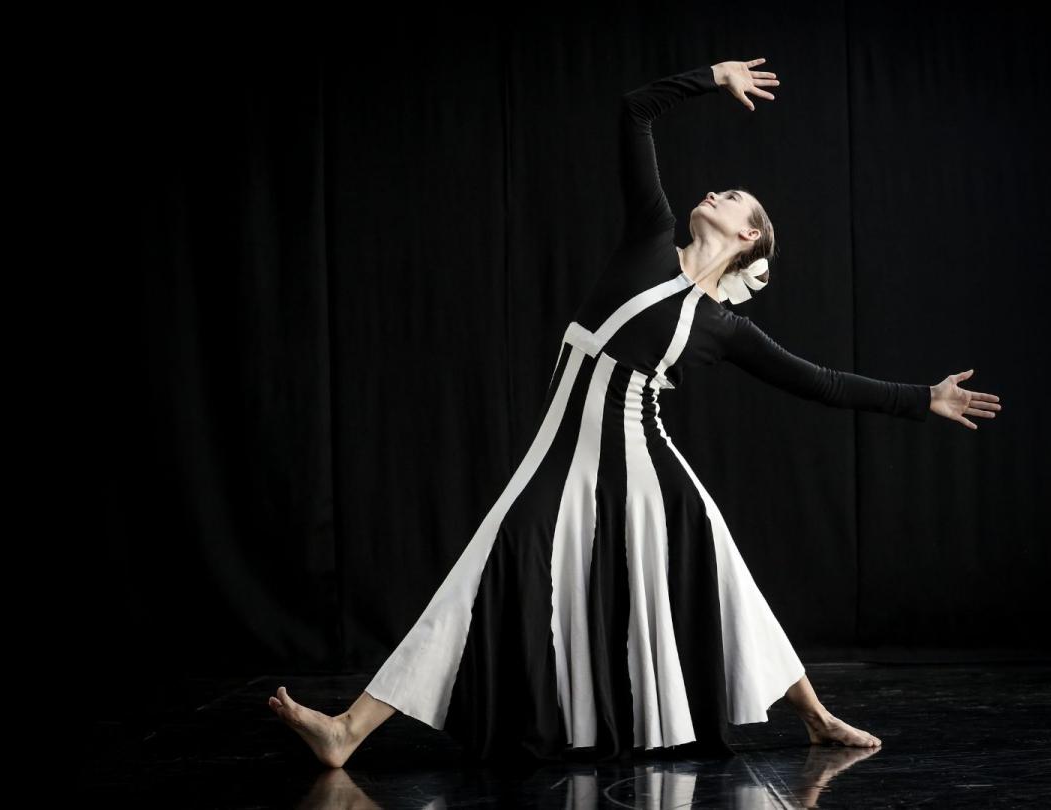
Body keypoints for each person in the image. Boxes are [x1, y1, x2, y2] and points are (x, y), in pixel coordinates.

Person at [270, 57, 1001, 768]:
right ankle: (347, 732)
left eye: (734, 199)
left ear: (749, 237)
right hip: (562, 453)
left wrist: (922, 398)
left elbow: (820, 382)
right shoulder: (651, 235)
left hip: (644, 460)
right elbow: (633, 110)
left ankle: (814, 716)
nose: (716, 193)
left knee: (726, 575)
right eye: (721, 189)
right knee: (479, 573)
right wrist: (712, 79)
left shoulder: (722, 327)